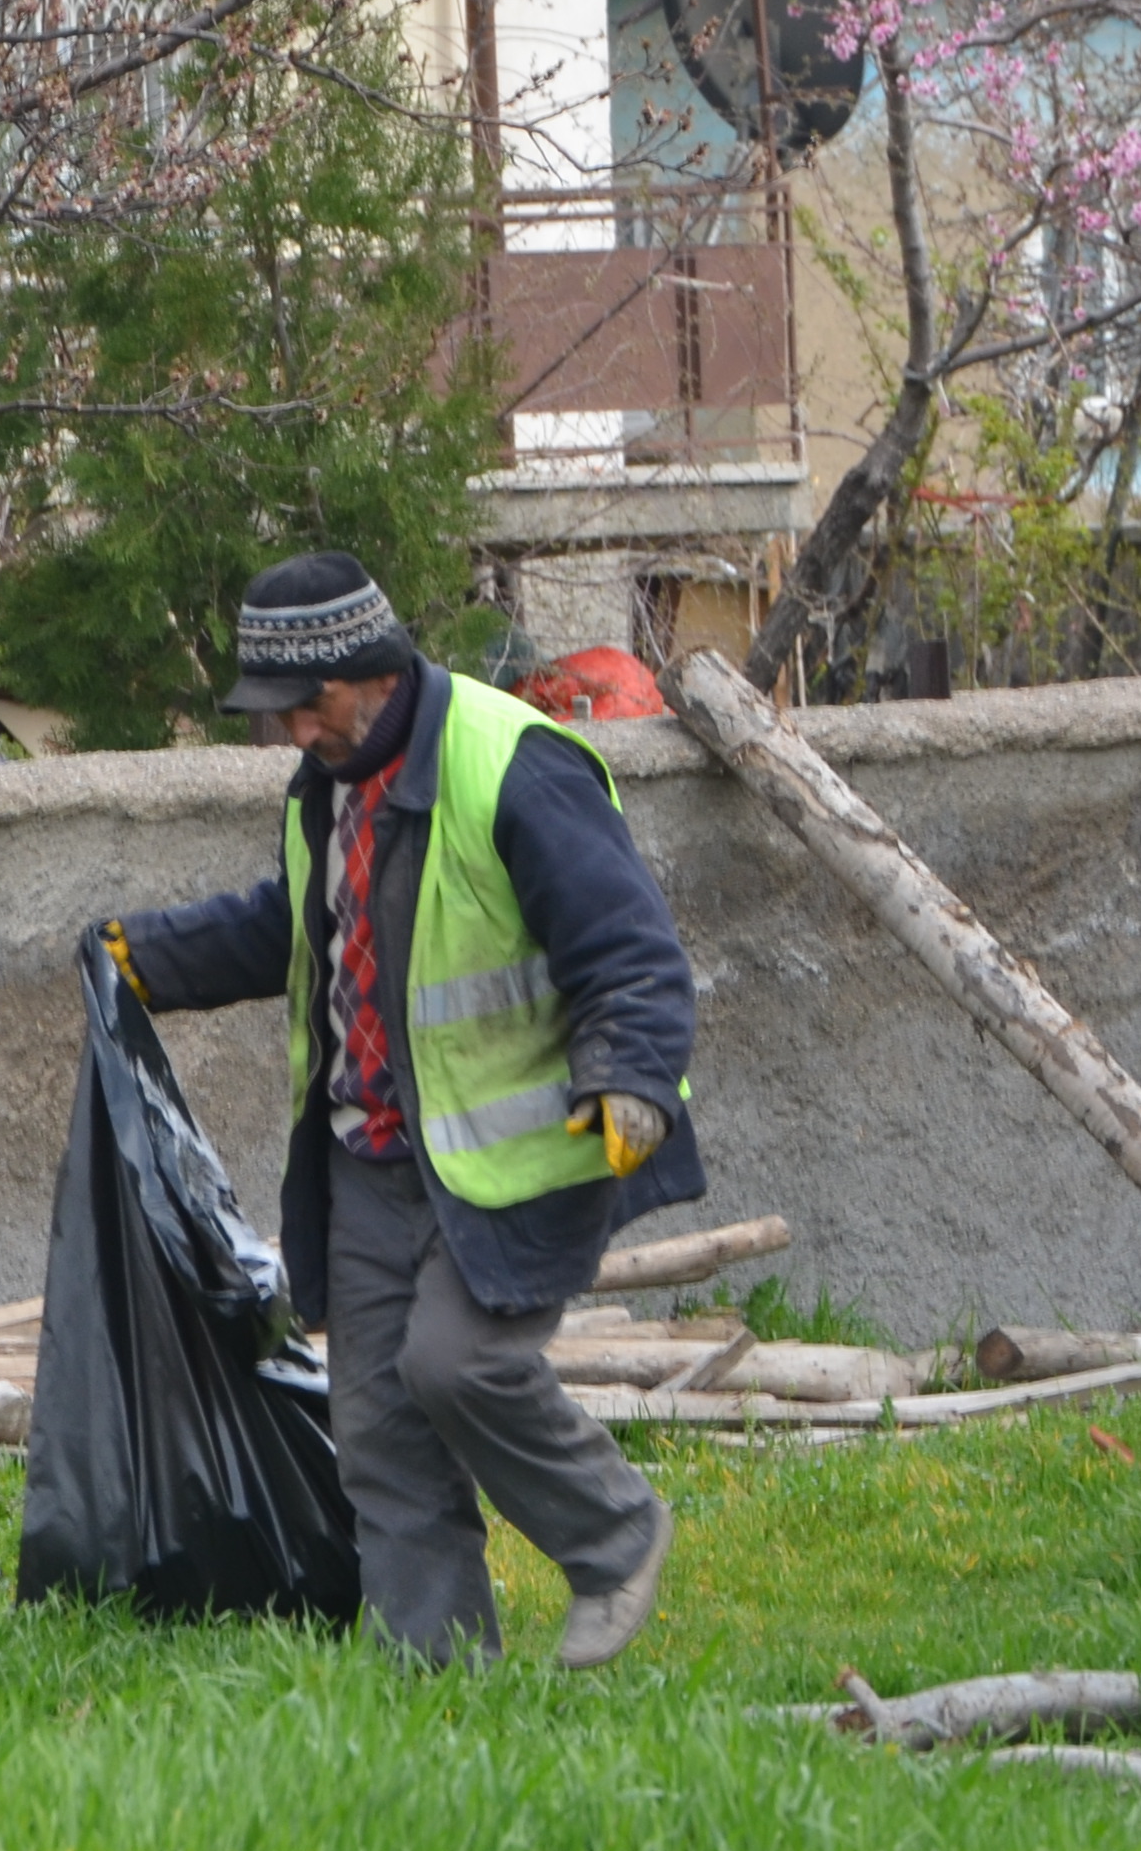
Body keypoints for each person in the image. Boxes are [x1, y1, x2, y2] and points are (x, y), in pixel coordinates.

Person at [102, 552, 706, 1667]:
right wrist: (148, 958)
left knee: (456, 1366)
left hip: (524, 1160)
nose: (289, 731)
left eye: (304, 704)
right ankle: (433, 1681)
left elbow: (629, 950)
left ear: (370, 671)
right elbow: (294, 924)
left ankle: (611, 1532)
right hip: (368, 1162)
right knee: (376, 1427)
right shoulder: (326, 786)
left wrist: (626, 1075)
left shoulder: (511, 766)